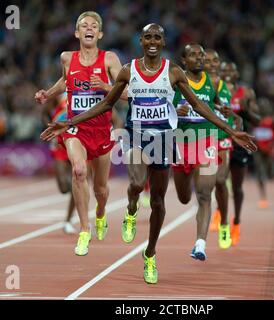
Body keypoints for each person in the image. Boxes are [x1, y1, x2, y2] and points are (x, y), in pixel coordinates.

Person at [41, 23, 257, 284]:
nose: (153, 41)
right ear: (141, 42)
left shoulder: (174, 72)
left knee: (158, 202)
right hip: (137, 137)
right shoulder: (128, 70)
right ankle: (131, 210)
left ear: (163, 43)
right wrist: (70, 122)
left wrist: (230, 131)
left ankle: (150, 254)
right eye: (148, 37)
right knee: (135, 184)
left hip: (164, 140)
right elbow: (107, 103)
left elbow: (199, 105)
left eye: (158, 37)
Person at [35, 11, 126, 256]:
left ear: (100, 33)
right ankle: (84, 230)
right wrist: (48, 94)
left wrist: (107, 87)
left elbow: (128, 94)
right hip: (75, 126)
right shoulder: (66, 58)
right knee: (78, 170)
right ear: (77, 33)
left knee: (101, 190)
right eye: (84, 25)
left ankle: (100, 213)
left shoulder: (110, 59)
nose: (89, 28)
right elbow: (65, 81)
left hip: (101, 129)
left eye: (93, 26)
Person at [171, 43, 223, 260]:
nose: (199, 58)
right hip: (181, 142)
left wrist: (223, 110)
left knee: (204, 193)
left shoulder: (213, 82)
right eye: (193, 55)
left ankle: (200, 244)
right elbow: (158, 105)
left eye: (201, 55)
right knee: (184, 198)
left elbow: (217, 104)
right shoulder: (174, 80)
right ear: (184, 61)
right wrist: (173, 111)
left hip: (206, 140)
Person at [204, 50, 242, 249]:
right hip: (203, 138)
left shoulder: (227, 87)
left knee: (220, 180)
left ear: (219, 63)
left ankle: (225, 222)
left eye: (215, 60)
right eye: (207, 60)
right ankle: (210, 217)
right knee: (205, 186)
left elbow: (233, 113)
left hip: (223, 138)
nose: (211, 63)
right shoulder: (198, 84)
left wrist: (237, 121)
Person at [220, 62, 261, 246]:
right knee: (218, 181)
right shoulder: (216, 91)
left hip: (239, 145)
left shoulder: (246, 93)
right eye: (224, 70)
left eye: (231, 70)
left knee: (236, 187)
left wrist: (246, 109)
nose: (228, 73)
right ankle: (223, 221)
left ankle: (236, 220)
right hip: (221, 140)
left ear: (237, 74)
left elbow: (258, 120)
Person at [41, 93, 77, 234]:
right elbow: (44, 112)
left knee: (78, 181)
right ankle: (75, 190)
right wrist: (50, 127)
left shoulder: (87, 94)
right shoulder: (59, 95)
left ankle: (68, 220)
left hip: (78, 141)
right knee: (63, 187)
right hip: (60, 144)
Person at [252, 98, 274, 208]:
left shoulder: (273, 120)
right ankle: (263, 196)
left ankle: (269, 176)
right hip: (258, 148)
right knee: (259, 170)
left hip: (269, 148)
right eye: (261, 106)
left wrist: (273, 144)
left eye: (265, 106)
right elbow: (252, 132)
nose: (263, 107)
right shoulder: (255, 119)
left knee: (270, 172)